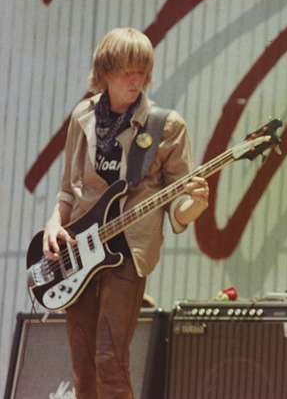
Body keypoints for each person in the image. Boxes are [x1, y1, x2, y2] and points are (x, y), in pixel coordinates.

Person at [41, 27, 209, 398]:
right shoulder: (82, 116)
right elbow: (69, 188)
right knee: (82, 360)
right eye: (125, 72)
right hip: (80, 249)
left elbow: (179, 201)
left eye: (142, 71)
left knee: (108, 358)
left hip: (127, 251)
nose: (136, 80)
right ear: (105, 72)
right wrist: (54, 222)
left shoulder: (166, 125)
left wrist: (193, 206)